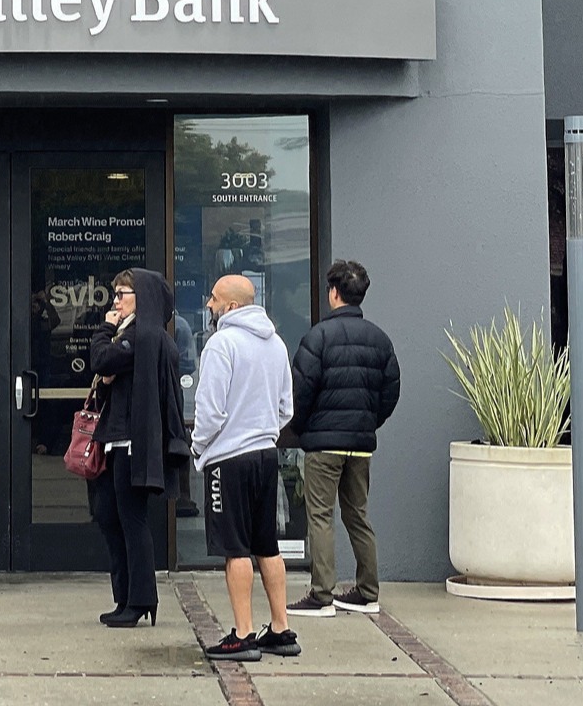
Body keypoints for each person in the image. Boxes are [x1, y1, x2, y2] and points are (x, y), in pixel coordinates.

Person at [192, 274, 299, 662]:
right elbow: (286, 408)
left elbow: (210, 410)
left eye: (214, 298)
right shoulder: (276, 343)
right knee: (267, 544)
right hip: (265, 455)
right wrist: (265, 431)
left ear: (232, 306)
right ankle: (281, 630)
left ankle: (242, 634)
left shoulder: (221, 344)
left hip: (228, 458)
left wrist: (199, 446)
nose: (209, 304)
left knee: (235, 549)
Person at [287, 260, 402, 618]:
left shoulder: (318, 337)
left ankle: (322, 594)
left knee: (320, 516)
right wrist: (369, 423)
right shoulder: (380, 340)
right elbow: (391, 392)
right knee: (358, 516)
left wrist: (302, 430)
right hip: (360, 444)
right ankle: (368, 592)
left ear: (333, 293)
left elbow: (299, 392)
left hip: (323, 445)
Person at [86, 268, 187, 628]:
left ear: (140, 298)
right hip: (118, 438)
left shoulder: (139, 336)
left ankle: (140, 599)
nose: (115, 302)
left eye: (122, 294)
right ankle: (126, 596)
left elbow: (101, 359)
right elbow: (110, 372)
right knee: (110, 515)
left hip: (133, 442)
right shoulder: (139, 337)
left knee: (131, 520)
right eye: (114, 294)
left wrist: (105, 329)